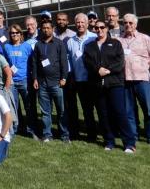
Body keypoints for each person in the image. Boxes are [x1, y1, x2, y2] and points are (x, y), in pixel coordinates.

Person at [83, 21, 134, 152]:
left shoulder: (116, 43)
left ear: (106, 29)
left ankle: (129, 143)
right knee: (103, 113)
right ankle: (109, 141)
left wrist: (108, 70)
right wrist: (97, 70)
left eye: (102, 27)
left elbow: (120, 61)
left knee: (119, 112)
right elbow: (87, 62)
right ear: (94, 29)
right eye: (96, 28)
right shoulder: (89, 46)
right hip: (97, 84)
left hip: (115, 83)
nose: (99, 30)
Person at [119, 13, 150, 147]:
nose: (128, 25)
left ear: (136, 24)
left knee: (148, 109)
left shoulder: (144, 38)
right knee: (129, 111)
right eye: (125, 23)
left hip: (142, 79)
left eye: (131, 23)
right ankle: (133, 135)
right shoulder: (120, 40)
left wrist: (146, 67)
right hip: (126, 80)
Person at [32, 17, 69, 143]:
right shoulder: (38, 45)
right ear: (41, 30)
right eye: (44, 28)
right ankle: (47, 134)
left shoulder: (59, 43)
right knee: (45, 112)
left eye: (48, 28)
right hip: (42, 84)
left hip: (57, 83)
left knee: (61, 111)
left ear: (52, 29)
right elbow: (35, 63)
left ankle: (64, 135)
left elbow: (64, 62)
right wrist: (35, 79)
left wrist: (64, 77)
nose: (46, 30)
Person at [65, 13, 96, 141]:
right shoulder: (71, 41)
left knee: (88, 109)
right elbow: (68, 60)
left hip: (90, 79)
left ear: (87, 23)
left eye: (83, 22)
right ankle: (75, 132)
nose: (80, 25)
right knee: (72, 108)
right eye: (78, 22)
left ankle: (91, 134)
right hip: (75, 79)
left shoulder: (93, 37)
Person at [3, 23, 36, 138]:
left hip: (25, 80)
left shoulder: (26, 46)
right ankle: (18, 127)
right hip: (12, 82)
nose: (15, 35)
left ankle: (31, 128)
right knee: (15, 106)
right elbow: (5, 63)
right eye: (12, 33)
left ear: (21, 34)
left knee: (28, 106)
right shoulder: (7, 47)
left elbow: (32, 62)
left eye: (17, 33)